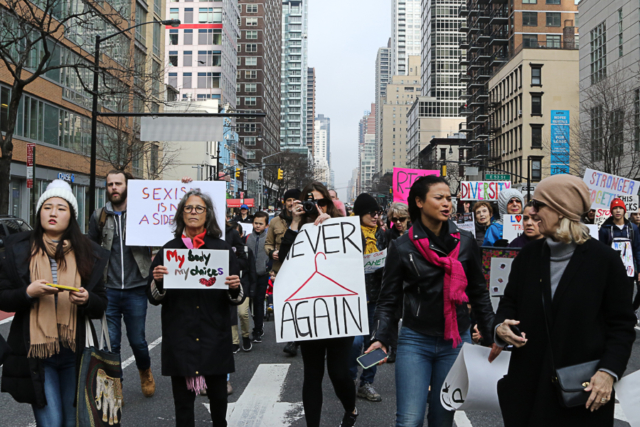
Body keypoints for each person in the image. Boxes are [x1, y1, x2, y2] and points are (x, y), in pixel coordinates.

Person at [489, 174, 636, 426]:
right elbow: (509, 302)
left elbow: (622, 326)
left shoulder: (604, 261)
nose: (531, 212)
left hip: (580, 391)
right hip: (529, 384)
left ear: (561, 211)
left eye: (538, 205)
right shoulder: (528, 256)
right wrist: (500, 327)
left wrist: (608, 372)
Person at [368, 175, 495, 427]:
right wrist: (381, 336)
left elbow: (479, 293)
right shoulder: (402, 246)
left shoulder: (466, 242)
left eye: (449, 198)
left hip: (456, 341)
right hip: (416, 340)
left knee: (441, 419)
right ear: (419, 202)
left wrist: (492, 336)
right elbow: (389, 298)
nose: (446, 203)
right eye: (439, 198)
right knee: (409, 420)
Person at [0, 180, 109, 427]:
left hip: (75, 352)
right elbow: (3, 295)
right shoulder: (18, 250)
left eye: (61, 208)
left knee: (72, 423)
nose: (53, 213)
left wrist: (87, 299)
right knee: (51, 423)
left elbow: (101, 302)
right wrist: (28, 292)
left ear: (71, 216)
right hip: (37, 353)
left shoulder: (88, 252)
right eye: (47, 207)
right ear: (39, 212)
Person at [148, 188, 244, 427]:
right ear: (181, 214)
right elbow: (153, 297)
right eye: (188, 208)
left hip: (214, 336)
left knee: (219, 402)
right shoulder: (169, 250)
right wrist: (158, 281)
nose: (193, 212)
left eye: (199, 208)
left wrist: (234, 287)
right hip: (181, 337)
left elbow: (238, 296)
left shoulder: (221, 250)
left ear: (207, 214)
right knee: (183, 406)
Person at [278, 182, 358, 427]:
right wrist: (294, 223)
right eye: (312, 201)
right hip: (310, 312)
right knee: (312, 374)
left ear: (330, 204)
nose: (317, 206)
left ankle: (351, 409)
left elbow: (352, 263)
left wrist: (330, 225)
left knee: (339, 373)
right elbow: (284, 260)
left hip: (337, 311)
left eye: (322, 202)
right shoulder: (297, 229)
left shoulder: (342, 226)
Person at [88, 170, 155, 398]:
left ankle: (145, 371)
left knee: (138, 341)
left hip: (137, 288)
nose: (113, 188)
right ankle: (115, 386)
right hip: (110, 290)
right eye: (110, 184)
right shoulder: (99, 216)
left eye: (118, 184)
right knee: (111, 343)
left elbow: (168, 218)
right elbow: (91, 249)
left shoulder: (141, 213)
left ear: (127, 186)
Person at [348, 193, 387, 403]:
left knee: (373, 342)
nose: (376, 216)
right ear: (361, 214)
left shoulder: (381, 235)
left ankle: (367, 383)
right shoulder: (349, 234)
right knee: (354, 343)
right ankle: (351, 377)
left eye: (378, 212)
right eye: (372, 212)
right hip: (354, 297)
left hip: (376, 297)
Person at [265, 188, 302, 356]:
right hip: (281, 269)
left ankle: (298, 338)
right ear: (284, 202)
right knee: (286, 305)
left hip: (302, 269)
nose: (292, 203)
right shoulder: (275, 222)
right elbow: (268, 243)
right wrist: (271, 251)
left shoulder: (306, 219)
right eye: (289, 200)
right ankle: (292, 338)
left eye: (295, 199)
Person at [598, 198, 640, 315]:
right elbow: (601, 252)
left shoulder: (633, 228)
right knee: (612, 296)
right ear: (611, 211)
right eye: (615, 208)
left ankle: (627, 317)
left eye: (620, 208)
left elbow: (637, 249)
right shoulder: (605, 229)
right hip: (612, 270)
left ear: (624, 210)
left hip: (629, 270)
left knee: (627, 296)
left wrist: (639, 270)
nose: (617, 211)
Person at [246, 211, 271, 343]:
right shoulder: (247, 238)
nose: (257, 226)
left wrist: (268, 268)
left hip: (262, 274)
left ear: (266, 225)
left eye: (261, 224)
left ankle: (257, 329)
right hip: (249, 276)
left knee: (259, 302)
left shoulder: (268, 239)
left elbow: (272, 255)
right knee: (249, 303)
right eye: (256, 223)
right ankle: (257, 324)